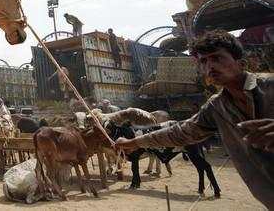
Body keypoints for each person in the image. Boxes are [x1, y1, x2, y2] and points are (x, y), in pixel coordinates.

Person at [114, 30, 274, 208]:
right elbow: (180, 133)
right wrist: (133, 143)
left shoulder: (270, 87)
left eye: (217, 58)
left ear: (241, 63)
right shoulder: (216, 107)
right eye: (203, 61)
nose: (210, 66)